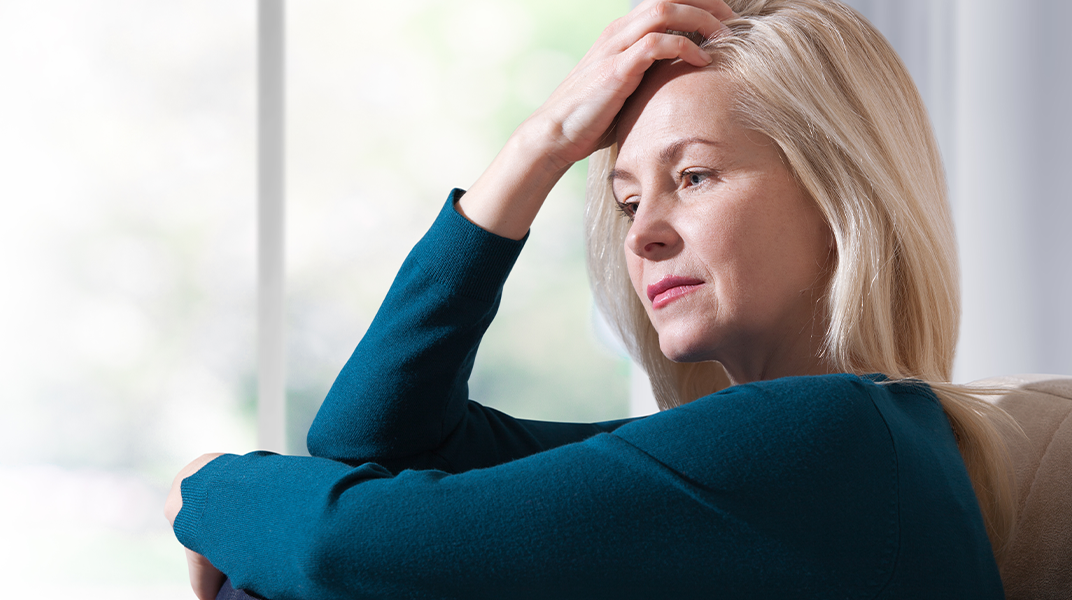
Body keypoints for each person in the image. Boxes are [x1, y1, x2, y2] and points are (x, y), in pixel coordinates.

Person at [165, 0, 1018, 598]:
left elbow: (336, 547)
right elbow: (368, 441)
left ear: (841, 200)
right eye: (625, 200)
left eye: (693, 176)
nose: (642, 234)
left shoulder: (828, 442)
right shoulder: (811, 449)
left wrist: (207, 486)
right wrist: (540, 146)